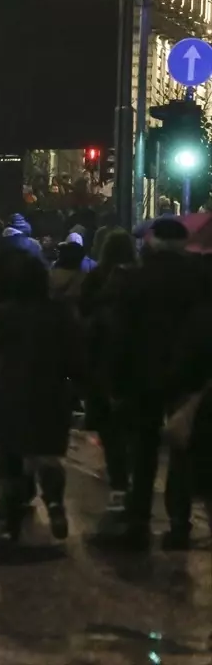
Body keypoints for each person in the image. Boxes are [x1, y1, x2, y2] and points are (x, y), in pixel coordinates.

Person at [108, 217, 211, 550]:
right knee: (181, 449)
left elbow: (120, 333)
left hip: (142, 376)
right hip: (187, 374)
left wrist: (116, 380)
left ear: (152, 241)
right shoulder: (199, 278)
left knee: (143, 451)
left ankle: (139, 521)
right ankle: (179, 524)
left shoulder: (135, 278)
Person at [0, 249, 82, 541]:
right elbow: (75, 357)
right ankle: (54, 503)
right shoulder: (61, 314)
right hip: (52, 392)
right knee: (48, 456)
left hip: (9, 392)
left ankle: (11, 521)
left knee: (11, 457)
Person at [77, 228, 136, 516]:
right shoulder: (139, 279)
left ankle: (120, 485)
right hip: (135, 365)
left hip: (101, 367)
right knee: (133, 430)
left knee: (111, 432)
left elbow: (83, 313)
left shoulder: (96, 279)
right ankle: (133, 485)